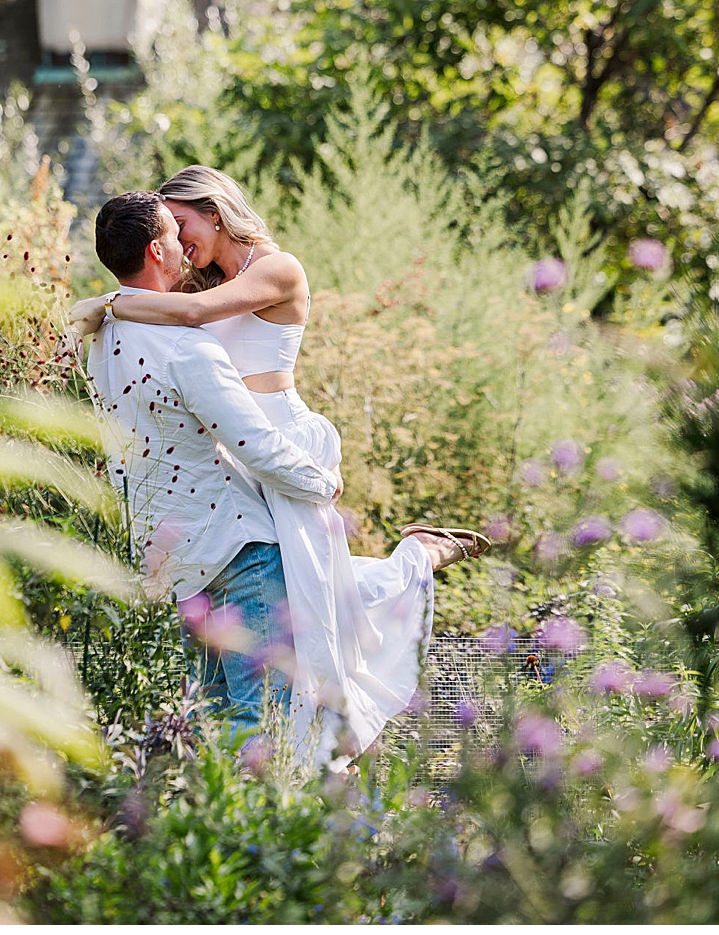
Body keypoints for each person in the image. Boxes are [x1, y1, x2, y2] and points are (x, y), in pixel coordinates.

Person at [72, 167, 485, 758]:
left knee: (320, 600)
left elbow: (186, 320)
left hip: (282, 442)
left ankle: (415, 562)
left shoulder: (275, 268)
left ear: (213, 210)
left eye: (183, 222)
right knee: (318, 594)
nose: (183, 241)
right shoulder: (196, 285)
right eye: (172, 232)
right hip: (241, 457)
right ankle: (417, 556)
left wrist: (111, 303)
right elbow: (169, 334)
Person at [83, 190, 340, 733]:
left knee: (209, 720)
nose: (182, 246)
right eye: (174, 235)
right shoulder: (187, 348)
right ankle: (269, 817)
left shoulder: (103, 342)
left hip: (174, 558)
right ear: (156, 250)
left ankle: (214, 818)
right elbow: (253, 443)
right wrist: (322, 481)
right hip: (236, 547)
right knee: (262, 717)